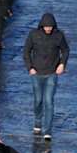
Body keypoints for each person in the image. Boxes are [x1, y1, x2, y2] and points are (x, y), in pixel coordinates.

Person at [22, 12, 68, 141]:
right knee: (38, 100)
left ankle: (47, 131)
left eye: (51, 27)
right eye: (46, 27)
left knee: (49, 101)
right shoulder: (33, 35)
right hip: (36, 73)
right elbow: (26, 51)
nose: (49, 29)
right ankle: (37, 122)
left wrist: (62, 64)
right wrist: (30, 67)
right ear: (42, 26)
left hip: (52, 73)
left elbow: (65, 50)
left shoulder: (59, 35)